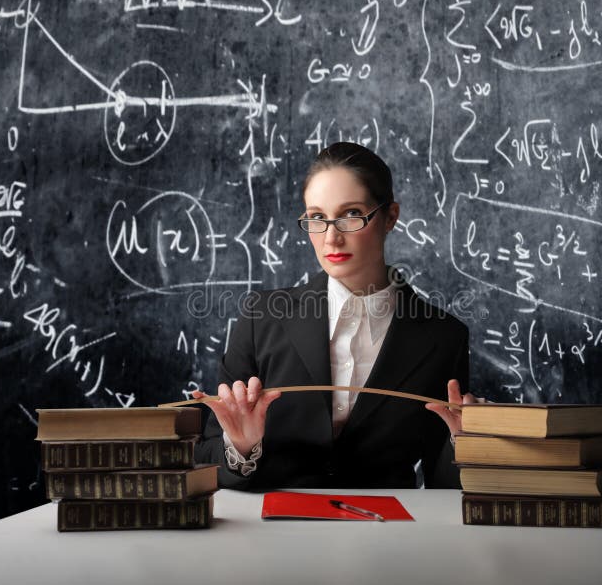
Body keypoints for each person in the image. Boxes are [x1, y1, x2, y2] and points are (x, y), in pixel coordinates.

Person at [194, 142, 480, 489]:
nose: (332, 237)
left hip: (388, 533)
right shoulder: (261, 318)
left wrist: (465, 446)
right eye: (317, 218)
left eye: (351, 214)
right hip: (271, 533)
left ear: (390, 216)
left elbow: (444, 485)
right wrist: (241, 446)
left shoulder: (443, 338)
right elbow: (205, 451)